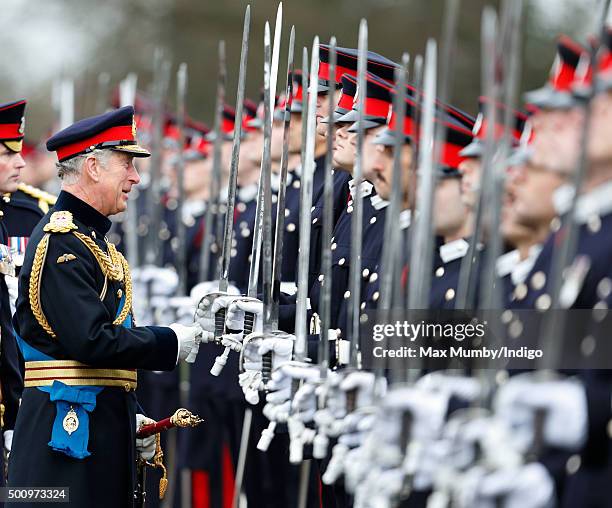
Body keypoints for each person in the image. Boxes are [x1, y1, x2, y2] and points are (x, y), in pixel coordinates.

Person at [7, 105, 203, 507]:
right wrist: (167, 342)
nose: (135, 177)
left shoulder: (87, 240)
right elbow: (91, 341)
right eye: (127, 165)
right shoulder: (62, 242)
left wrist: (130, 413)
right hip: (63, 438)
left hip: (97, 427)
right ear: (93, 167)